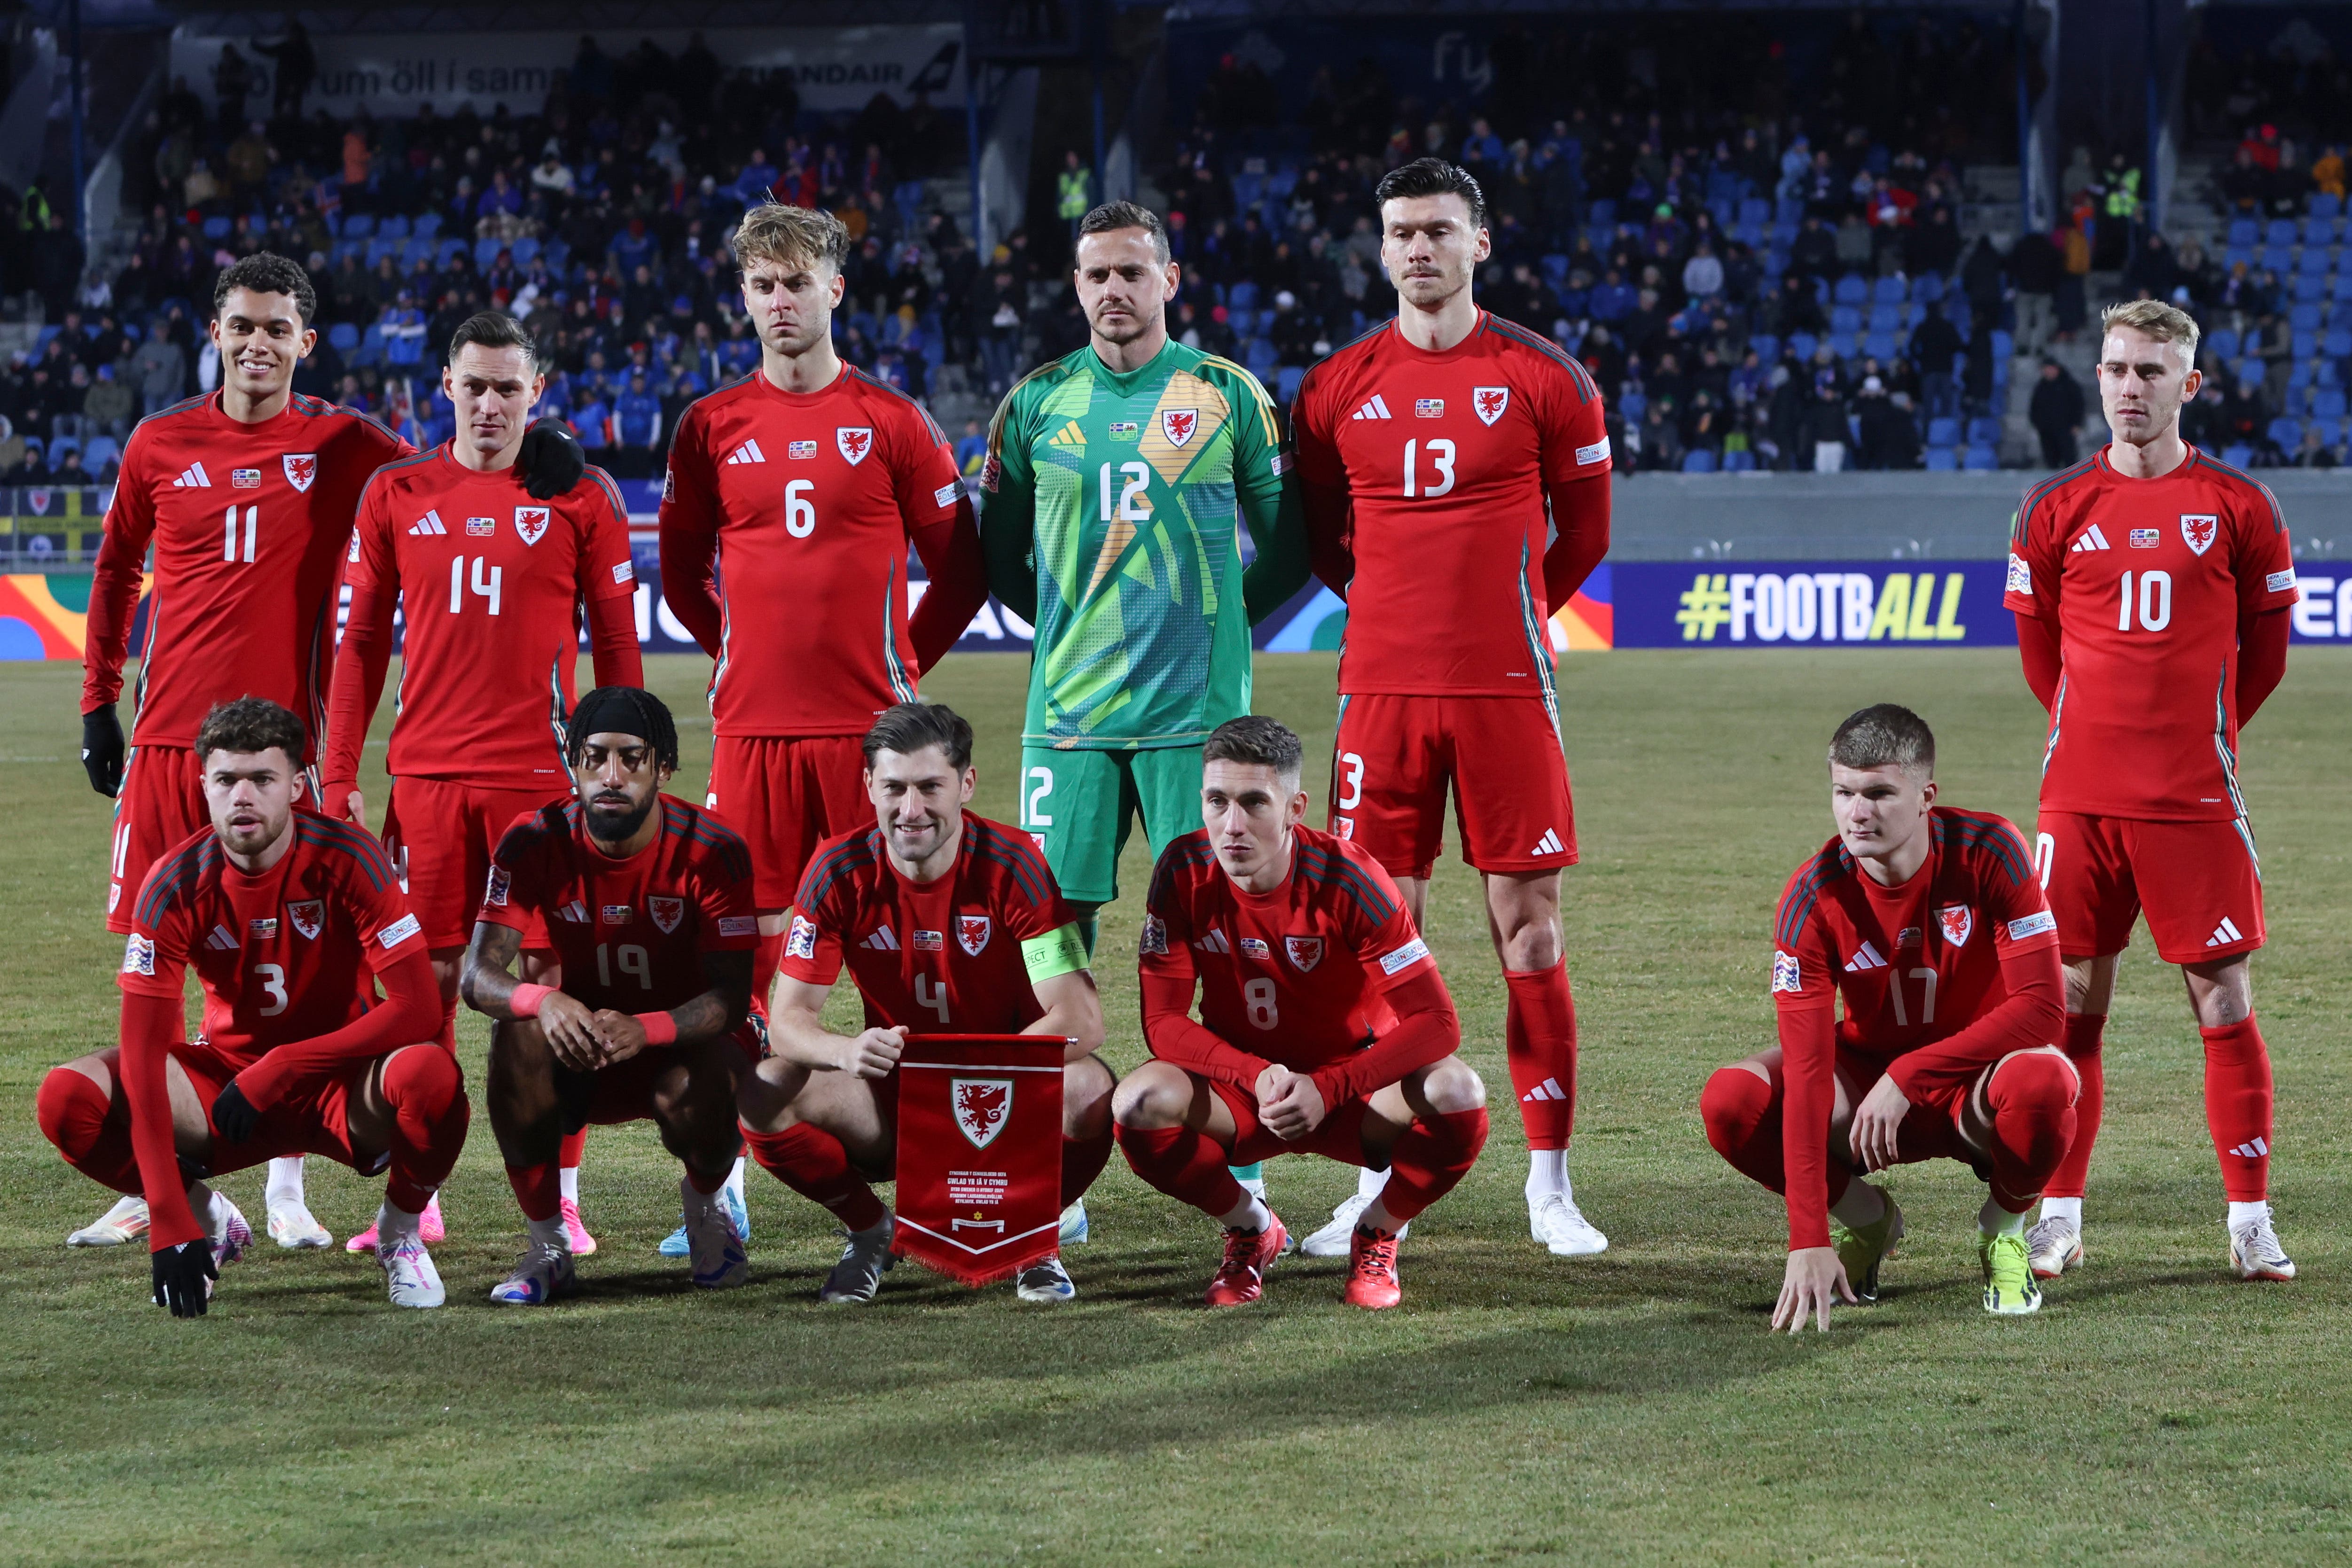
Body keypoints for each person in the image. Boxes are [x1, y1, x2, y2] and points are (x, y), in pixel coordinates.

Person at [71, 252, 580, 1254]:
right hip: (171, 747)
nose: (256, 343)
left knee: (296, 964)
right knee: (155, 960)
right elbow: (115, 566)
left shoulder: (348, 445)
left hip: (278, 759)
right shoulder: (158, 442)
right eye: (240, 325)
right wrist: (97, 702)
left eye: (276, 329)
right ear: (212, 332)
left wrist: (545, 445)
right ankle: (156, 1173)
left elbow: (455, 458)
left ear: (306, 342)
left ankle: (285, 1187)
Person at [1288, 158, 1611, 1260]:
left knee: (1530, 933)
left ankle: (1550, 1186)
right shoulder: (1334, 388)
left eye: (1437, 230)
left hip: (1508, 689)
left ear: (1482, 241)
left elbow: (1589, 532)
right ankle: (1380, 1186)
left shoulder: (1546, 376)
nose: (1418, 249)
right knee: (1380, 941)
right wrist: (1398, 615)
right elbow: (1326, 541)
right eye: (1399, 232)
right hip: (1379, 692)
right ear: (1380, 250)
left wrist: (1505, 616)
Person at [979, 199, 1310, 1219]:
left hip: (1195, 726)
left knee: (1222, 929)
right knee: (1049, 929)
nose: (1113, 292)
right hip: (1069, 719)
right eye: (1095, 277)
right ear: (1075, 288)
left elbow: (1291, 547)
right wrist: (1072, 625)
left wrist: (1220, 631)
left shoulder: (1226, 397)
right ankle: (1055, 1151)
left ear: (1170, 280)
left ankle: (1239, 1148)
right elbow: (998, 559)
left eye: (1132, 273)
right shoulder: (1033, 405)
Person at [323, 310, 642, 1256]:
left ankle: (565, 1197)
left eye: (510, 387)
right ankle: (418, 1198)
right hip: (423, 782)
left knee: (549, 989)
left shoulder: (581, 495)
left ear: (537, 392)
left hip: (541, 790)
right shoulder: (396, 490)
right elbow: (361, 645)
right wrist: (341, 776)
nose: (491, 402)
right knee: (419, 993)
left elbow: (618, 647)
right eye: (475, 385)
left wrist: (623, 771)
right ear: (445, 388)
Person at [2003, 298, 2300, 1284]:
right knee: (2070, 1009)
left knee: (2222, 1001)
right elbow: (2040, 658)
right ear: (2097, 377)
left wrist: (2193, 742)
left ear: (2190, 385)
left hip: (2192, 803)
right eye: (2117, 369)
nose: (2131, 388)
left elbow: (2263, 659)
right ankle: (2060, 1215)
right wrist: (2097, 741)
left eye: (2151, 372)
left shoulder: (2240, 507)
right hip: (2079, 804)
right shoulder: (2053, 508)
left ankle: (2249, 1220)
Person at [657, 200, 987, 1028]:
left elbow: (962, 576)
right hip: (753, 728)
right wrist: (740, 655)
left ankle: (903, 1128)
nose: (781, 302)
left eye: (797, 283)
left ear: (835, 290)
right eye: (764, 285)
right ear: (743, 295)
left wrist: (899, 669)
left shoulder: (894, 420)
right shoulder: (708, 427)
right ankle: (740, 1147)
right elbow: (679, 579)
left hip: (872, 735)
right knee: (746, 947)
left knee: (894, 938)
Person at [36, 698, 465, 1315]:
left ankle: (399, 1232)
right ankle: (212, 1220)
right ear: (202, 785)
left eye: (262, 779)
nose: (243, 796)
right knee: (68, 1099)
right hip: (228, 1086)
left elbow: (420, 1008)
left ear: (296, 784)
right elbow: (141, 1052)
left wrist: (287, 1064)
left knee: (430, 1076)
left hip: (344, 1085)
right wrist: (168, 1216)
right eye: (227, 780)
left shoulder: (349, 857)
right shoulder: (172, 882)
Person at [1702, 705, 2079, 1329]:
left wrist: (1911, 1073)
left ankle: (2003, 1230)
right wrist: (1807, 1237)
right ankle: (1869, 1221)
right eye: (1843, 792)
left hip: (1974, 1082)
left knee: (2047, 1082)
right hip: (1864, 1086)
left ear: (1926, 795)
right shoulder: (1811, 897)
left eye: (1879, 792)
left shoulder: (1991, 851)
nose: (1858, 812)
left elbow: (2042, 1010)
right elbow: (1806, 1067)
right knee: (1732, 1100)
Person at [743, 702, 1114, 1304]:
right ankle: (870, 1230)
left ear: (966, 785)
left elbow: (1082, 1018)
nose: (910, 810)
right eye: (893, 787)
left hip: (1006, 1096)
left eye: (929, 788)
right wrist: (847, 1050)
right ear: (868, 785)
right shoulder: (837, 867)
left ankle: (1033, 1236)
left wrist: (987, 1070)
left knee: (1093, 1090)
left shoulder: (1015, 863)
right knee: (767, 1087)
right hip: (899, 1095)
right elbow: (786, 1024)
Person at [1112, 717, 1487, 1310]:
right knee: (1137, 1102)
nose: (1232, 825)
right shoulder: (1182, 872)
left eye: (1254, 802)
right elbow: (1162, 1023)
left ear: (1295, 807)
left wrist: (1329, 1085)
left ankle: (1378, 1231)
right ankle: (1252, 1229)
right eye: (1217, 801)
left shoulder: (1350, 879)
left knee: (1458, 1090)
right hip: (1245, 1092)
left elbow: (1439, 1023)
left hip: (1355, 1093)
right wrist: (1255, 1074)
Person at [461, 688, 760, 1303]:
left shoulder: (713, 849)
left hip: (677, 1049)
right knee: (516, 1030)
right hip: (580, 1050)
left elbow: (731, 998)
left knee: (723, 1058)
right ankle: (548, 1245)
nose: (611, 776)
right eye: (595, 758)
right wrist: (542, 1002)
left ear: (665, 768)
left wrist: (647, 1027)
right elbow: (477, 975)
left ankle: (708, 1219)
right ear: (573, 764)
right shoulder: (532, 839)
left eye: (632, 759)